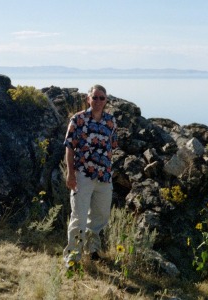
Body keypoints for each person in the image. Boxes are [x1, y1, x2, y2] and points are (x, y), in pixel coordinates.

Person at [63, 84, 118, 268]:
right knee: (78, 216)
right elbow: (69, 147)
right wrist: (70, 173)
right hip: (82, 175)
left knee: (100, 215)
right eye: (95, 97)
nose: (98, 101)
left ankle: (92, 250)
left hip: (104, 177)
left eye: (102, 98)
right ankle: (72, 257)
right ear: (88, 99)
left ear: (106, 100)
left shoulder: (111, 122)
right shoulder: (78, 119)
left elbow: (112, 147)